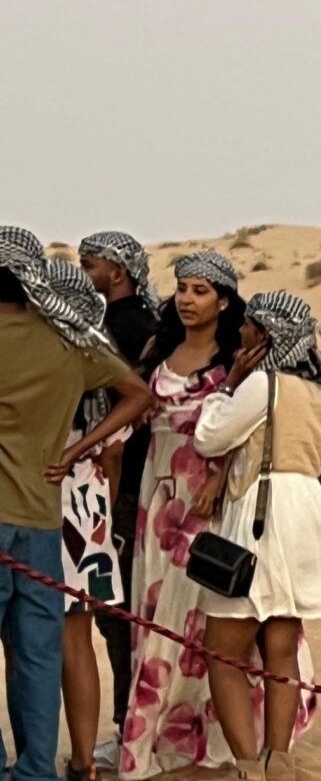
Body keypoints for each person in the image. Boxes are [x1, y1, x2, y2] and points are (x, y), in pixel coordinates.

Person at [191, 291, 321, 781]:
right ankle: (281, 760)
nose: (241, 333)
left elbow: (208, 438)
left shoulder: (259, 387)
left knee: (224, 652)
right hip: (307, 523)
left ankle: (247, 772)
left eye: (249, 326)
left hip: (260, 519)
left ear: (265, 336)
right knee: (281, 646)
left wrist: (225, 386)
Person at [0, 230, 151, 781]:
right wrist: (76, 451)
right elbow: (138, 394)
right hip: (41, 517)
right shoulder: (68, 342)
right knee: (38, 655)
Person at [117, 248, 257, 781]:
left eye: (201, 291)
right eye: (182, 289)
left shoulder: (235, 361)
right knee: (157, 611)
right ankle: (152, 735)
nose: (188, 299)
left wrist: (220, 479)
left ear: (223, 300)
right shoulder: (159, 350)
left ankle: (210, 737)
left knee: (203, 617)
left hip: (207, 501)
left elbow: (248, 431)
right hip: (159, 496)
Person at [41, 259, 133, 781]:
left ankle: (36, 761)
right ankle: (85, 767)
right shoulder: (100, 357)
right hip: (90, 504)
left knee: (26, 634)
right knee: (78, 637)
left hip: (42, 494)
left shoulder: (45, 355)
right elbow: (116, 449)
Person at [77, 230, 163, 742]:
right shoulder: (146, 323)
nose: (87, 274)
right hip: (137, 480)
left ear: (118, 271)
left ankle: (128, 724)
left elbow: (137, 402)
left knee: (118, 614)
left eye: (92, 265)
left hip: (121, 483)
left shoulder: (121, 327)